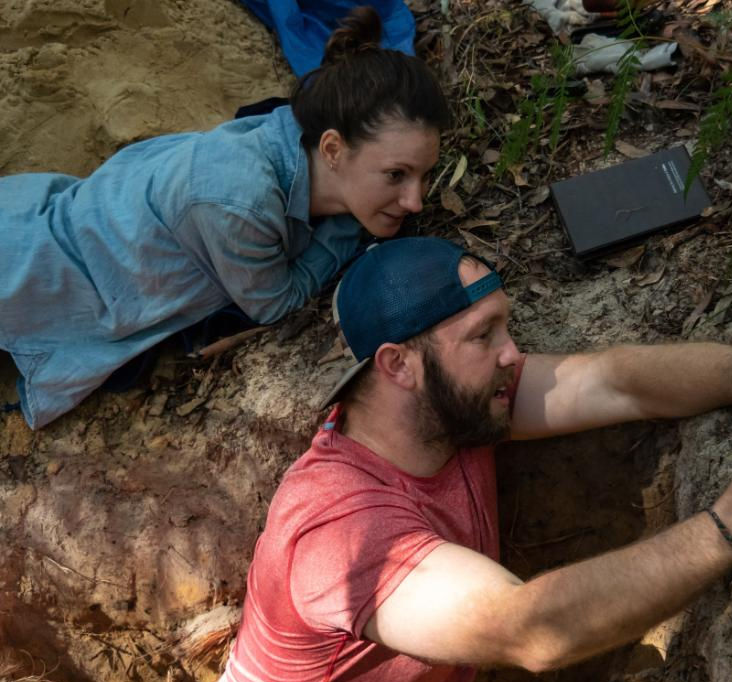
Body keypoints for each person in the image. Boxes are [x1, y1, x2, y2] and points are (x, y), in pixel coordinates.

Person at [202, 237, 732, 682]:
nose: (513, 354)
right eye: (482, 335)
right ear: (397, 365)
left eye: (507, 328)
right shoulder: (338, 531)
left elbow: (615, 383)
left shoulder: (449, 408)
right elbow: (527, 629)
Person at [0, 7, 450, 430]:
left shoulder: (288, 133)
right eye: (396, 175)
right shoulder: (242, 205)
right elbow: (274, 303)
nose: (415, 201)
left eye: (423, 175)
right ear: (332, 149)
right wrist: (342, 231)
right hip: (33, 277)